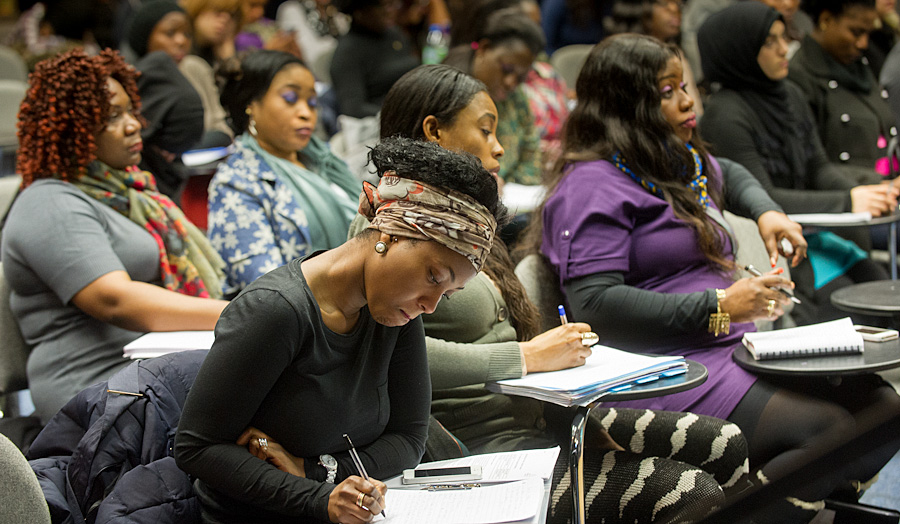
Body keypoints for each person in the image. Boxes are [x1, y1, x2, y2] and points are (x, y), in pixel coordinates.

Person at [535, 34, 900, 522]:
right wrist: (719, 304)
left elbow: (728, 171)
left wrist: (766, 211)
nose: (687, 101)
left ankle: (785, 505)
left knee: (883, 408)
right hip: (658, 366)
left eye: (684, 86)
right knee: (825, 431)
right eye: (666, 92)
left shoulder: (672, 160)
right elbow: (595, 305)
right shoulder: (591, 184)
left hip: (729, 346)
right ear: (625, 105)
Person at [364, 63, 751, 523]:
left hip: (537, 420)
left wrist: (577, 414)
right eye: (485, 131)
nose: (499, 147)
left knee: (724, 442)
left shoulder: (466, 223)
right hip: (477, 449)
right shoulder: (387, 231)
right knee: (687, 491)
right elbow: (394, 354)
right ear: (435, 132)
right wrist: (526, 357)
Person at [174, 136, 505, 524]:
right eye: (433, 277)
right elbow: (197, 446)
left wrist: (315, 472)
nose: (430, 305)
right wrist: (317, 498)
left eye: (447, 294)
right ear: (390, 234)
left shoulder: (395, 312)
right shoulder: (276, 311)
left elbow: (409, 438)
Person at [3, 48, 228, 422]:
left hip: (151, 366)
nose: (133, 125)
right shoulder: (49, 202)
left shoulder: (132, 193)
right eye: (112, 117)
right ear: (71, 129)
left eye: (131, 111)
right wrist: (237, 314)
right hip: (93, 389)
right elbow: (114, 300)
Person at [699, 2, 896, 324]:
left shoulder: (788, 94)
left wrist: (865, 194)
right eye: (769, 42)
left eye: (783, 37)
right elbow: (764, 199)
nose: (783, 49)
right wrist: (847, 202)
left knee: (883, 290)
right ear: (739, 49)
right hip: (773, 248)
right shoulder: (724, 116)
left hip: (813, 235)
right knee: (851, 310)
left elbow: (818, 167)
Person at [208, 50, 360, 295]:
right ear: (251, 105)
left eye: (312, 102)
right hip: (306, 312)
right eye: (290, 98)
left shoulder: (324, 161)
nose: (306, 112)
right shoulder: (236, 183)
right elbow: (265, 289)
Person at [789, 0, 898, 174]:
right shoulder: (799, 75)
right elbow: (812, 166)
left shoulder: (859, 66)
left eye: (868, 33)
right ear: (826, 20)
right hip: (851, 187)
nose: (863, 43)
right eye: (856, 32)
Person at [444, 9, 545, 188]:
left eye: (521, 77)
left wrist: (510, 184)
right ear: (484, 48)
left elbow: (531, 155)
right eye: (507, 69)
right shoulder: (449, 93)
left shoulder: (516, 96)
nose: (510, 82)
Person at [125, 0, 207, 202]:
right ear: (145, 35)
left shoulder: (192, 71)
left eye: (187, 34)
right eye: (170, 33)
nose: (181, 41)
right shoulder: (132, 84)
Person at [328, 0, 420, 118]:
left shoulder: (394, 34)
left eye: (391, 3)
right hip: (388, 119)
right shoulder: (347, 52)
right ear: (360, 12)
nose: (390, 10)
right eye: (383, 6)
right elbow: (354, 108)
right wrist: (401, 115)